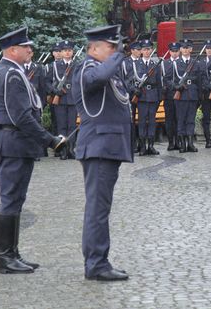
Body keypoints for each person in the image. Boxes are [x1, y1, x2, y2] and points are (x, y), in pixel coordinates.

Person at [0, 27, 64, 274]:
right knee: (11, 200)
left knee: (16, 200)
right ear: (13, 50)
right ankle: (5, 258)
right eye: (26, 47)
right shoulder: (9, 74)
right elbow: (20, 116)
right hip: (14, 143)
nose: (30, 50)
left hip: (17, 143)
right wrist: (50, 140)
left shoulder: (12, 71)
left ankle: (13, 253)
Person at [72, 24, 132, 281]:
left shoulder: (104, 70)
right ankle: (96, 264)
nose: (115, 51)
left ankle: (98, 260)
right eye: (111, 47)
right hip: (98, 147)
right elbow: (97, 79)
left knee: (100, 208)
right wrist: (119, 55)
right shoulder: (87, 69)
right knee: (97, 209)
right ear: (94, 48)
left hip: (107, 147)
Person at [49, 40, 77, 159]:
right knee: (61, 126)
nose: (67, 53)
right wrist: (55, 91)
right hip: (59, 99)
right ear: (61, 52)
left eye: (69, 50)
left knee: (72, 126)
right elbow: (47, 82)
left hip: (73, 99)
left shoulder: (77, 65)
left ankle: (71, 149)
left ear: (72, 52)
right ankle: (62, 150)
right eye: (65, 51)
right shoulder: (54, 65)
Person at [173, 38, 201, 153]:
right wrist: (176, 87)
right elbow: (169, 79)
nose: (185, 50)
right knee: (181, 120)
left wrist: (198, 96)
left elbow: (199, 80)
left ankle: (190, 143)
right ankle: (182, 144)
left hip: (192, 95)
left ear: (191, 49)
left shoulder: (195, 63)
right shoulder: (175, 63)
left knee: (190, 120)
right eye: (183, 48)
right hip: (181, 96)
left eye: (187, 48)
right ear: (180, 49)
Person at [134, 39, 161, 155]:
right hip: (142, 97)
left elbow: (159, 82)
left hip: (153, 96)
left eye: (148, 49)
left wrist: (159, 98)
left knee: (152, 122)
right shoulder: (136, 64)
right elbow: (131, 80)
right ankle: (143, 147)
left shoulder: (155, 65)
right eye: (144, 49)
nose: (146, 51)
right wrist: (135, 90)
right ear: (141, 51)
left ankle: (151, 145)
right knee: (142, 122)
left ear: (151, 50)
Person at [122, 40, 142, 153]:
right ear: (132, 51)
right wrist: (132, 89)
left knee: (143, 120)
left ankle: (142, 144)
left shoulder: (143, 62)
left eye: (140, 50)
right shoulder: (125, 62)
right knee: (131, 120)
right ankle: (132, 144)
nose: (140, 52)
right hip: (130, 95)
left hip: (142, 94)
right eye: (138, 50)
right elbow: (123, 80)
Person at [162, 42, 180, 150]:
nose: (174, 53)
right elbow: (164, 79)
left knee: (178, 119)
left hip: (180, 95)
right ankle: (170, 142)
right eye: (172, 51)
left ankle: (178, 141)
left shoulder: (182, 62)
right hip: (169, 95)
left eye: (176, 51)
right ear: (169, 52)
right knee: (169, 119)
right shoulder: (165, 63)